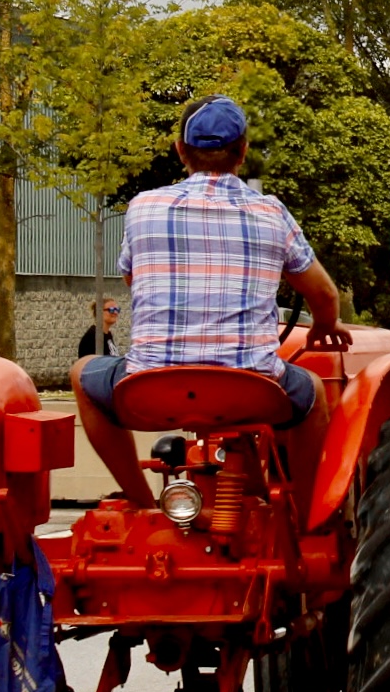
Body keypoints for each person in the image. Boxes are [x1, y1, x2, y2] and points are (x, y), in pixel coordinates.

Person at [72, 95, 351, 508]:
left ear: (180, 150)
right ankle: (309, 517)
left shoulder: (143, 207)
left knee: (82, 374)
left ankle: (144, 503)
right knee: (310, 390)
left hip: (150, 388)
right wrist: (326, 326)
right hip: (251, 389)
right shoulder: (271, 212)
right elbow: (324, 294)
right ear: (243, 153)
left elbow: (134, 280)